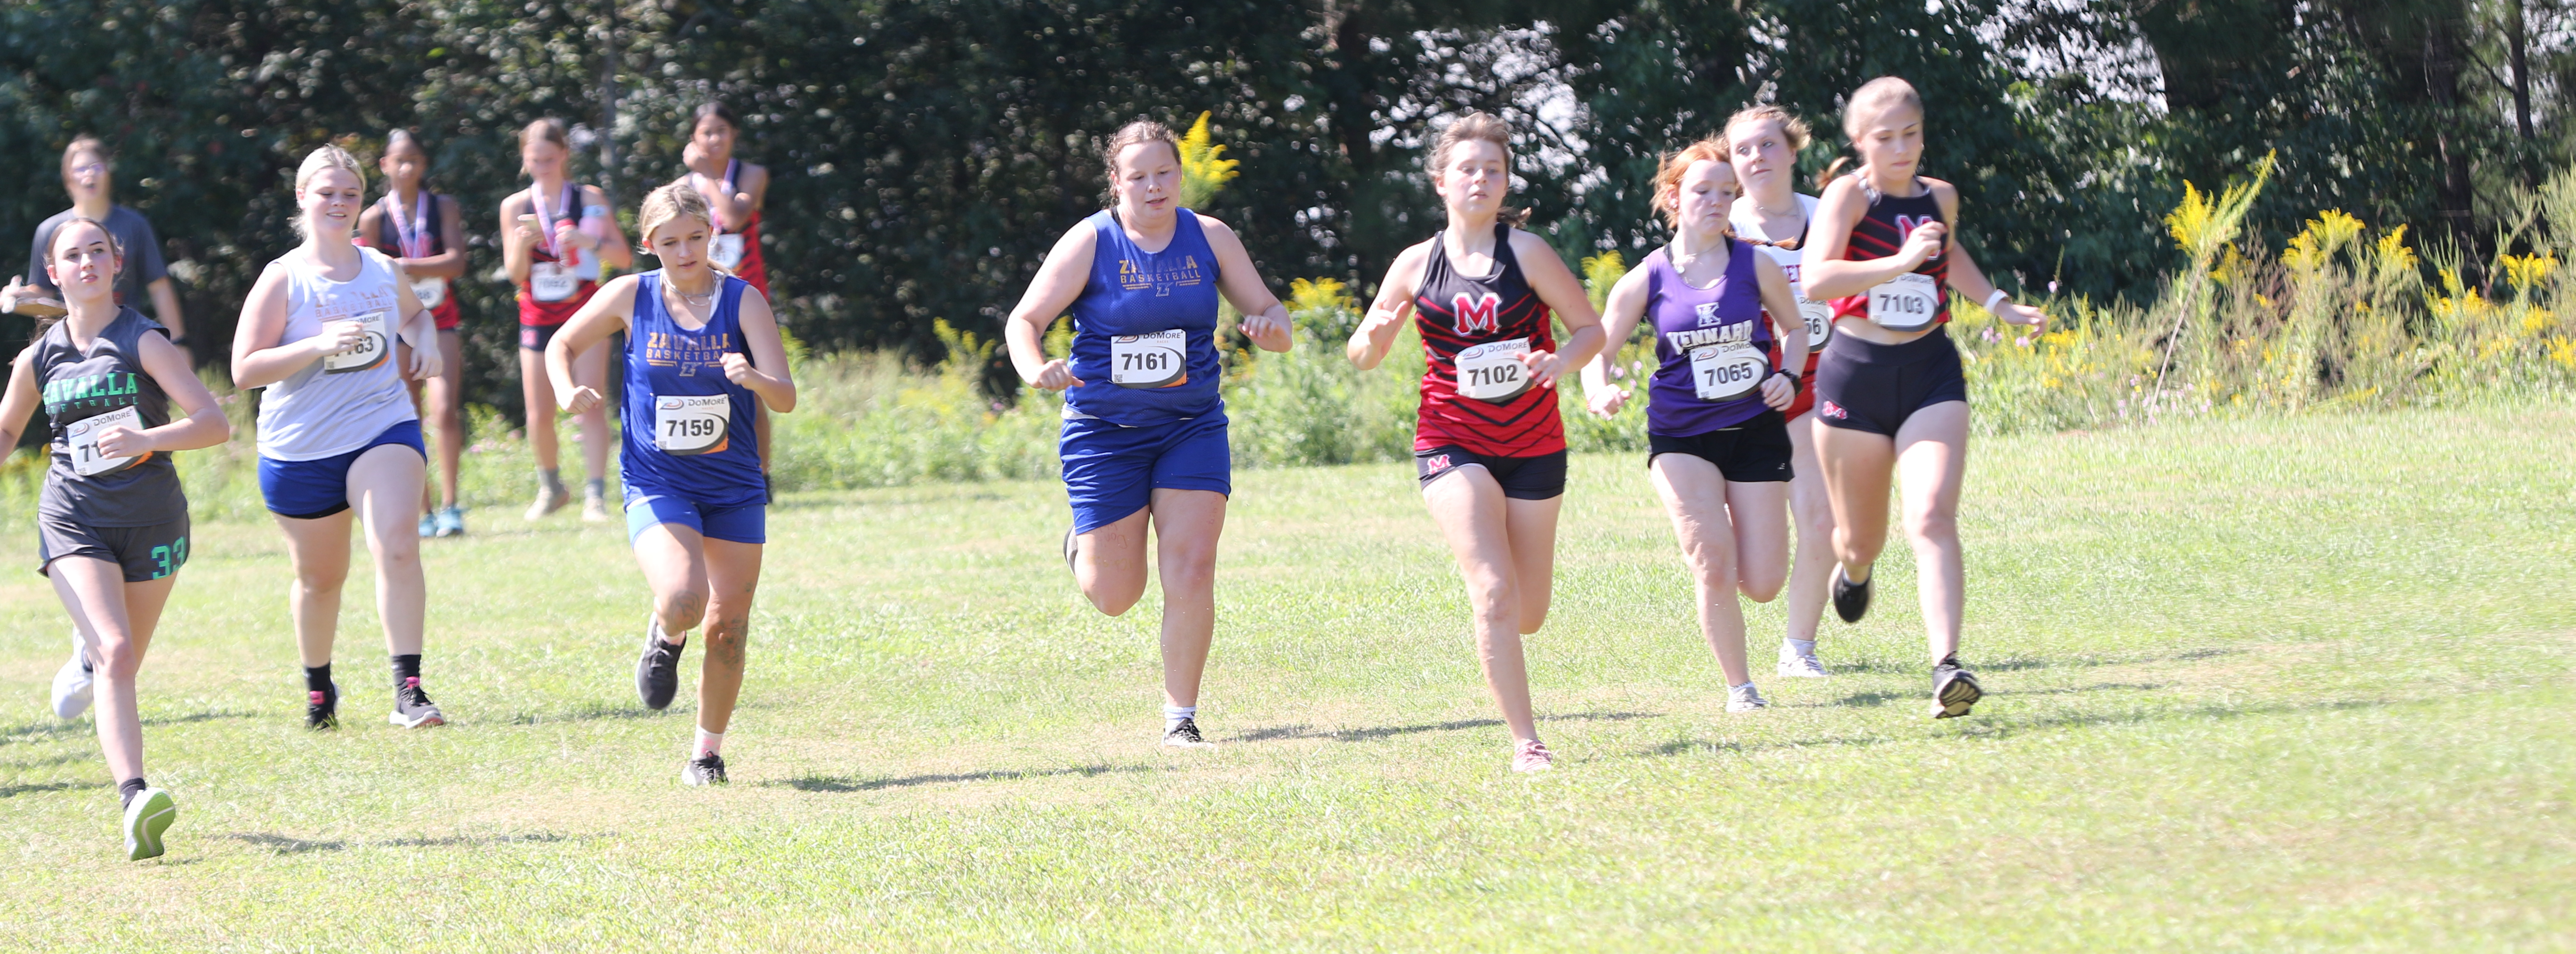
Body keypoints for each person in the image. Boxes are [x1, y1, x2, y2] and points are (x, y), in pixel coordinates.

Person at [1001, 119, 1292, 748]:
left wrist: (1272, 326)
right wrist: (1034, 368)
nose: (1154, 186)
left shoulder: (1210, 239)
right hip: (1105, 431)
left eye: (1165, 173)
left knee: (1191, 565)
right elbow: (1024, 319)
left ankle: (1180, 718)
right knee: (1114, 595)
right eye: (1139, 176)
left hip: (1191, 426)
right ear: (1117, 183)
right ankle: (1084, 544)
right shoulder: (1090, 242)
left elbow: (1269, 309)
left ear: (1179, 176)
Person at [1347, 112, 1605, 772]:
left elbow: (1588, 331)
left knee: (1528, 610)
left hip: (1534, 439)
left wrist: (1562, 363)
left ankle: (1514, 665)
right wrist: (1374, 335)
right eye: (1467, 168)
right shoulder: (1415, 264)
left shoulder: (1529, 253)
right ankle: (1527, 740)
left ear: (1506, 181)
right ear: (1441, 182)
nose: (1481, 179)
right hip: (1450, 438)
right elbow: (1364, 353)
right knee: (1492, 589)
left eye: (1493, 169)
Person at [1798, 77, 2048, 719]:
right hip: (1855, 373)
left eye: (1911, 134)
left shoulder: (1941, 197)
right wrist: (1899, 261)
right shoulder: (1847, 196)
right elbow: (1818, 277)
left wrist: (1998, 303)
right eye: (1885, 138)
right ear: (1859, 141)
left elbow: (1950, 252)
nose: (1901, 148)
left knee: (1932, 515)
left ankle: (1948, 666)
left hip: (1931, 369)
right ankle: (1853, 573)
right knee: (1860, 539)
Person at [546, 183, 797, 785]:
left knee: (729, 627)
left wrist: (754, 377)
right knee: (686, 597)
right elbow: (561, 342)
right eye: (670, 242)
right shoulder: (630, 295)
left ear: (711, 235)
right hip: (658, 479)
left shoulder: (744, 301)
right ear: (648, 244)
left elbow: (785, 398)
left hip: (735, 482)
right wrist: (563, 389)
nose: (685, 252)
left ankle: (705, 754)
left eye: (694, 238)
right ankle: (665, 633)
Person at [1, 218, 230, 859]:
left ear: (117, 261)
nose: (86, 262)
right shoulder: (39, 357)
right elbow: (6, 430)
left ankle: (84, 660)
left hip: (155, 518)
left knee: (120, 657)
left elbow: (213, 424)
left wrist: (146, 440)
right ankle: (136, 799)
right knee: (118, 649)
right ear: (54, 272)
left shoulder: (143, 339)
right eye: (72, 255)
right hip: (74, 514)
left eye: (96, 250)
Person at [1583, 136, 1807, 712]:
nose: (1716, 201)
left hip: (1755, 429)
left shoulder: (1757, 263)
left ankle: (1729, 578)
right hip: (1681, 436)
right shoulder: (1647, 277)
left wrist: (1790, 374)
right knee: (1711, 558)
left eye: (1727, 193)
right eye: (1702, 190)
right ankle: (1741, 688)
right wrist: (1599, 390)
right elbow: (1597, 349)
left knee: (1762, 583)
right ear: (1674, 197)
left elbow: (1796, 330)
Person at [231, 145, 447, 731]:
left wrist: (424, 341)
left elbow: (417, 315)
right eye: (327, 192)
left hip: (382, 426)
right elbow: (244, 369)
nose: (340, 203)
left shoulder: (380, 266)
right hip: (299, 448)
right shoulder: (284, 278)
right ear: (303, 197)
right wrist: (317, 345)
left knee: (397, 543)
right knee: (320, 578)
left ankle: (409, 689)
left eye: (350, 194)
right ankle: (320, 685)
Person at [1724, 105, 1839, 679]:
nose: (1756, 158)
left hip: (1821, 381)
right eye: (1743, 150)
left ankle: (1800, 647)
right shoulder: (1722, 225)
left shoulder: (1831, 218)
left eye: (1767, 146)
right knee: (1750, 562)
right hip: (1742, 390)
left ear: (1792, 152)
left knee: (1820, 517)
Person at [501, 118, 631, 523]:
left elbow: (624, 258)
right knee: (538, 413)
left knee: (591, 404)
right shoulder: (516, 206)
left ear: (564, 156)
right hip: (538, 315)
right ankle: (552, 488)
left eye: (550, 159)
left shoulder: (589, 197)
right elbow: (514, 274)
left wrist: (590, 241)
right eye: (534, 160)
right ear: (524, 160)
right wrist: (524, 247)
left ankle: (596, 495)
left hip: (587, 311)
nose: (543, 166)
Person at [356, 130, 472, 539]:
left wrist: (406, 266)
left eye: (414, 160)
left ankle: (452, 506)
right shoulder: (373, 218)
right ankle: (421, 511)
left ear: (424, 166)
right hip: (395, 326)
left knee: (444, 411)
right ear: (384, 165)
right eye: (398, 160)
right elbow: (366, 271)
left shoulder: (442, 208)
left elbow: (457, 262)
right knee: (410, 416)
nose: (406, 168)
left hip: (441, 320)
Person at [3, 136, 189, 343]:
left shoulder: (135, 225)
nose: (89, 174)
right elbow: (43, 292)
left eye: (96, 166)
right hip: (71, 344)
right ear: (68, 179)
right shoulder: (49, 231)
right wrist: (20, 297)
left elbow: (159, 287)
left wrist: (178, 342)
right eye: (80, 169)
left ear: (108, 172)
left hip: (127, 340)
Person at [679, 102, 779, 474]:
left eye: (721, 130)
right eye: (706, 132)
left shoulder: (752, 175)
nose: (714, 139)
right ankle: (709, 471)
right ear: (693, 138)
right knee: (702, 387)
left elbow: (735, 218)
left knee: (753, 391)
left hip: (745, 297)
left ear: (735, 133)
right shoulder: (682, 188)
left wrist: (707, 175)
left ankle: (762, 475)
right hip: (698, 300)